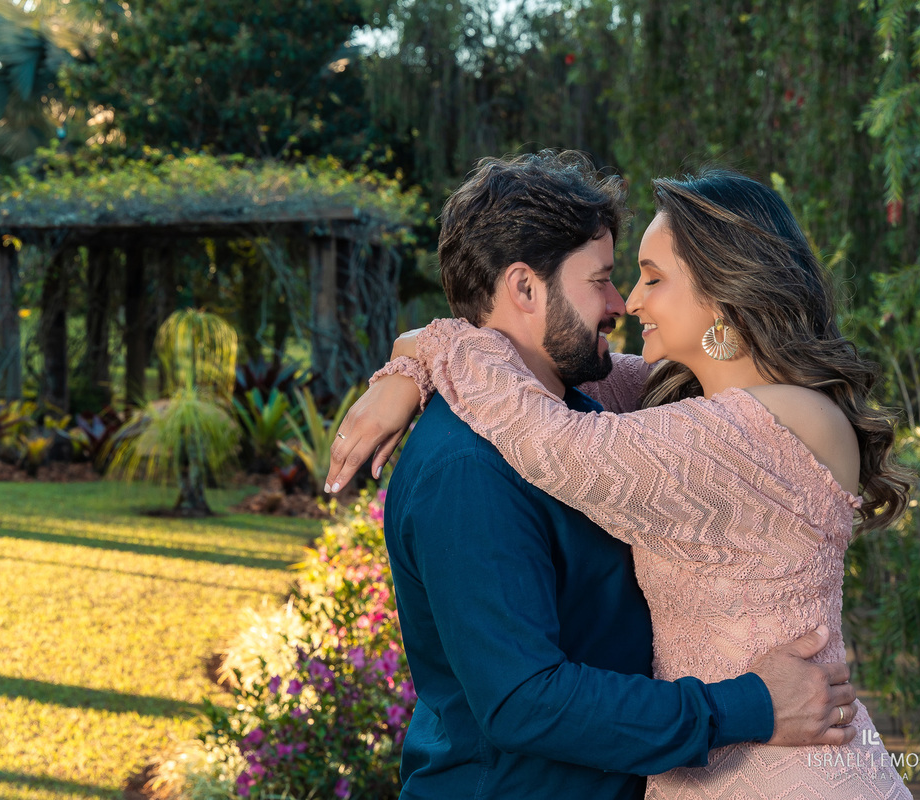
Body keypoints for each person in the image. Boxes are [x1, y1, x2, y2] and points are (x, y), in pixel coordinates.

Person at [324, 151, 884, 800]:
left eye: (647, 278)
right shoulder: (471, 463)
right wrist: (418, 359)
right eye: (607, 280)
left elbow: (555, 434)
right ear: (526, 289)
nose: (625, 301)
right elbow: (523, 700)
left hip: (777, 770)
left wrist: (422, 354)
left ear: (723, 292)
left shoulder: (683, 420)